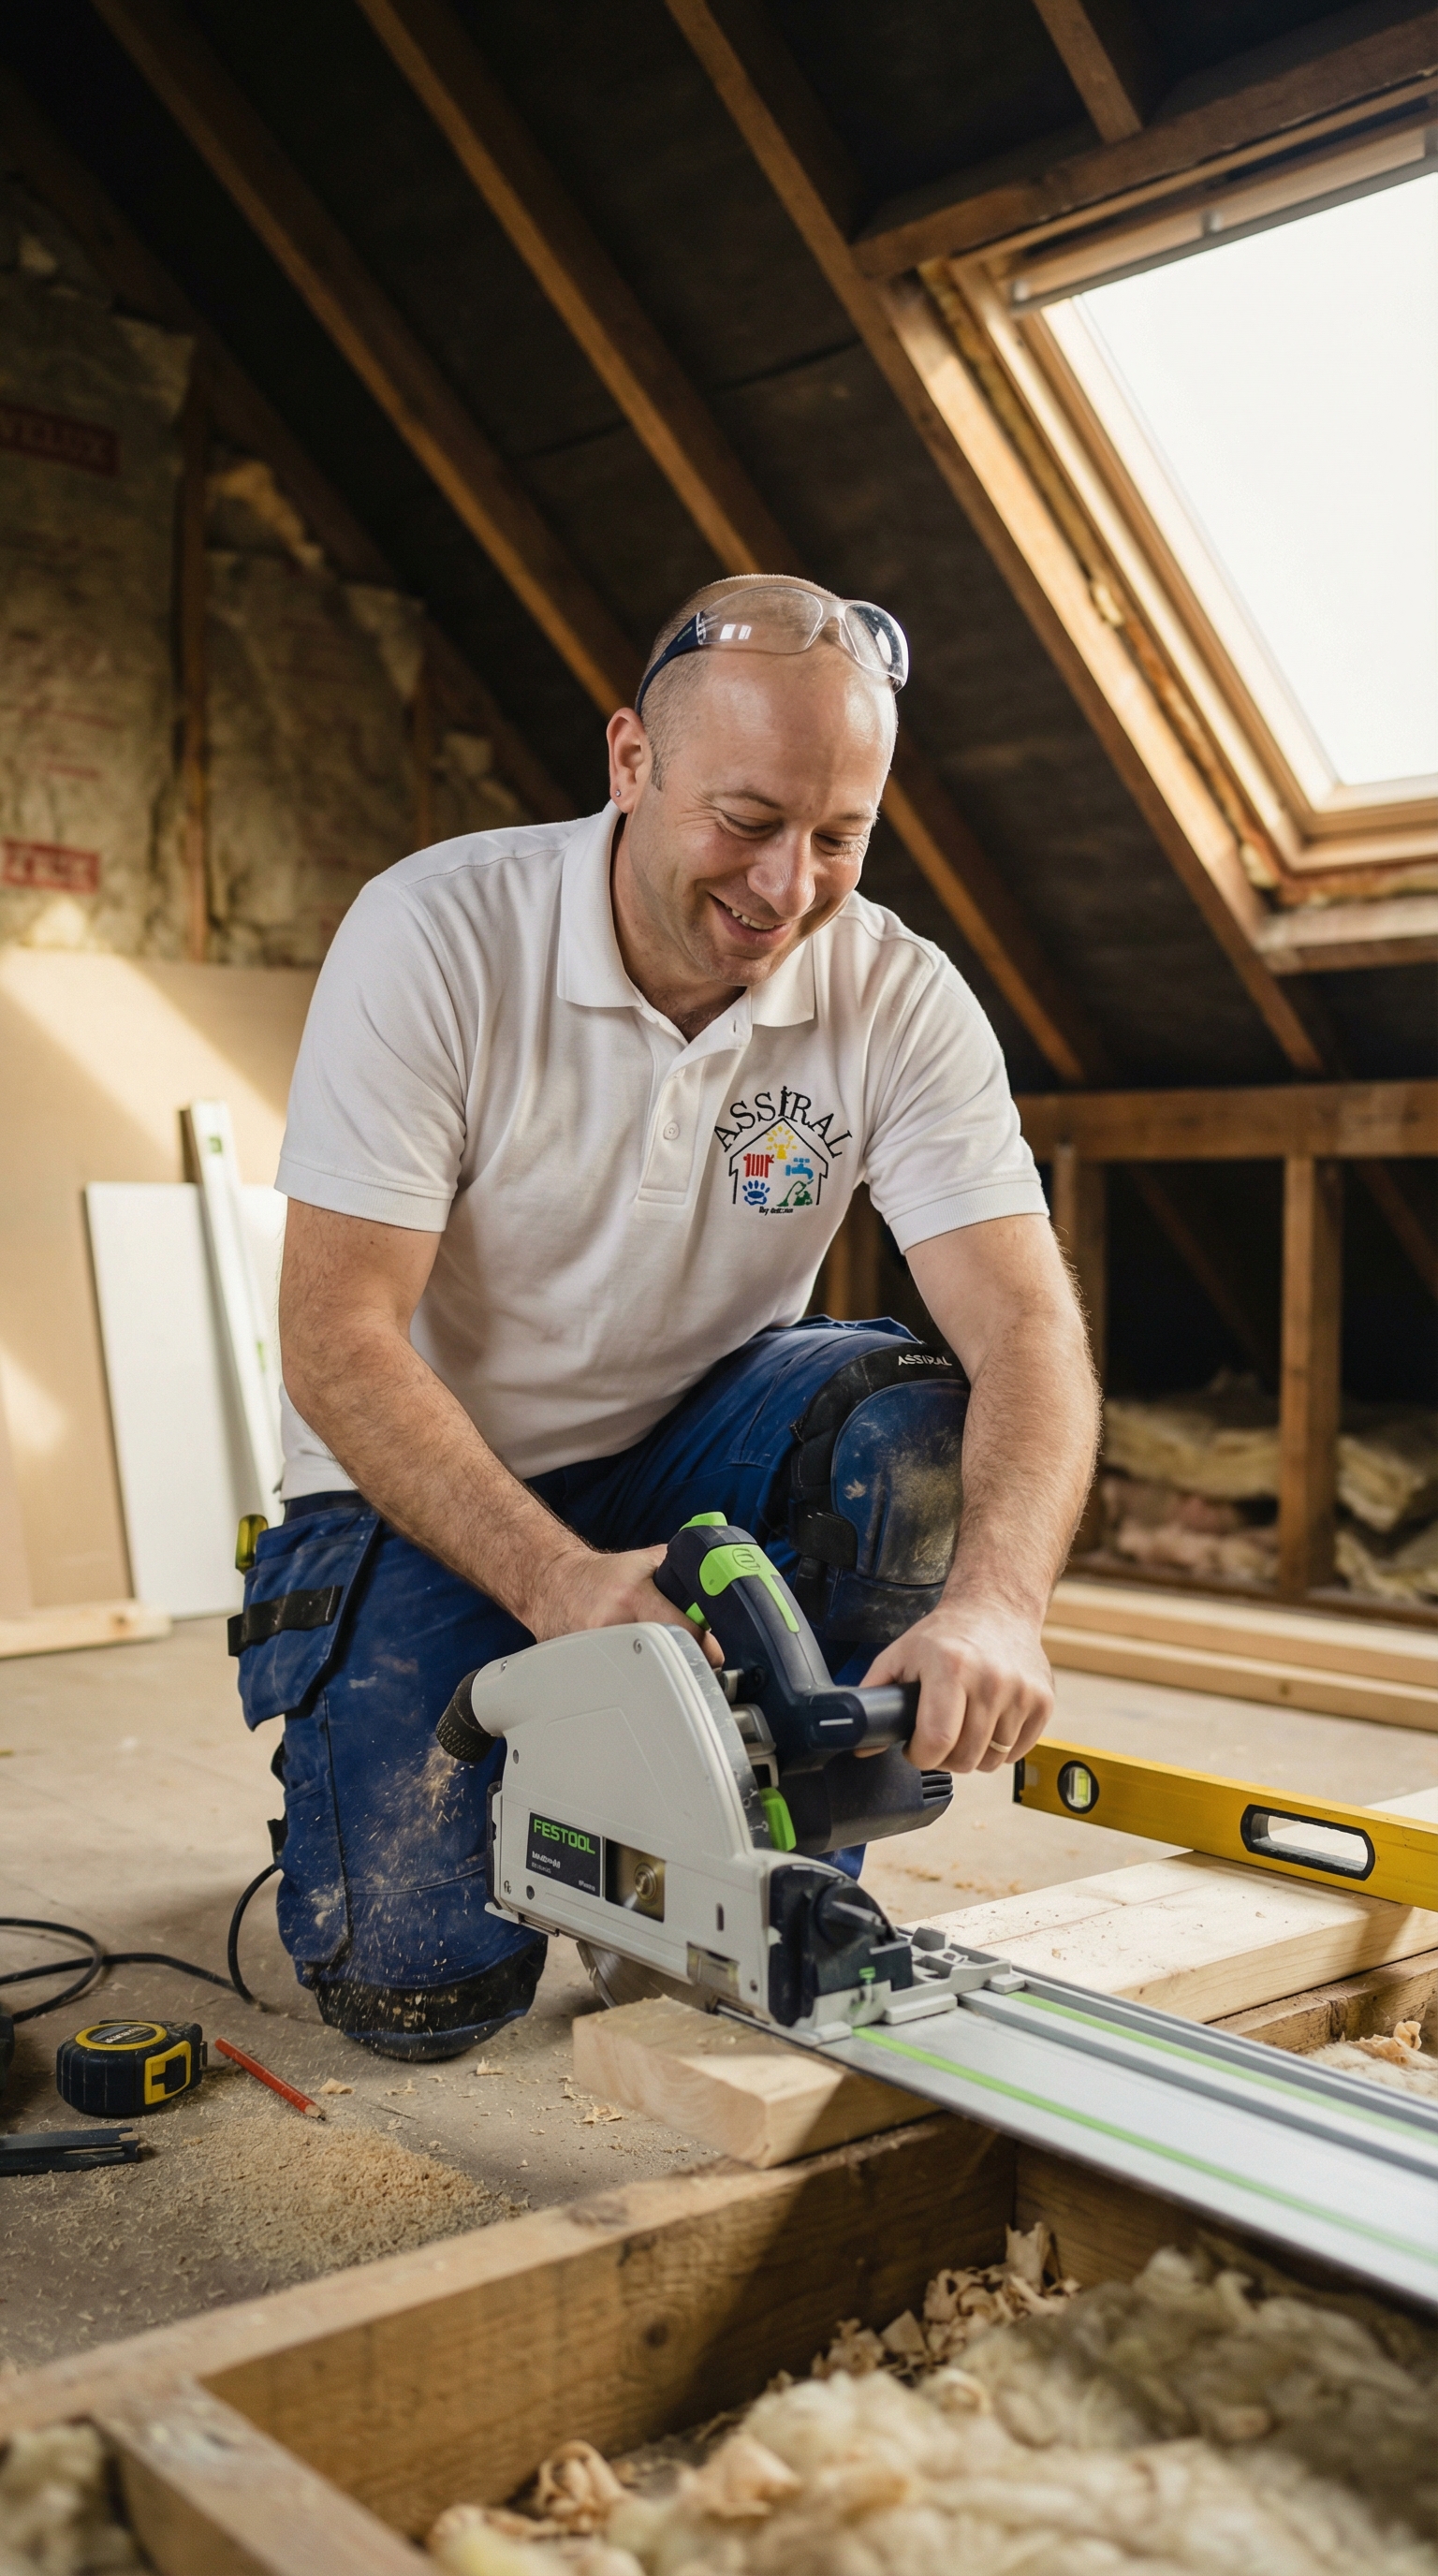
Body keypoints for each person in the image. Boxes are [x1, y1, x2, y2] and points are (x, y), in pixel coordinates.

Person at [232, 576, 1099, 2059]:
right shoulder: (438, 935)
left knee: (908, 1431)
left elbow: (1030, 1333)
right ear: (631, 762)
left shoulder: (896, 993)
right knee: (421, 1999)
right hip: (420, 1496)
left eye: (840, 839)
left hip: (693, 1452)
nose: (788, 890)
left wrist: (1000, 1600)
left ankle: (769, 1884)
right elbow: (336, 1341)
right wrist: (560, 1583)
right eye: (748, 823)